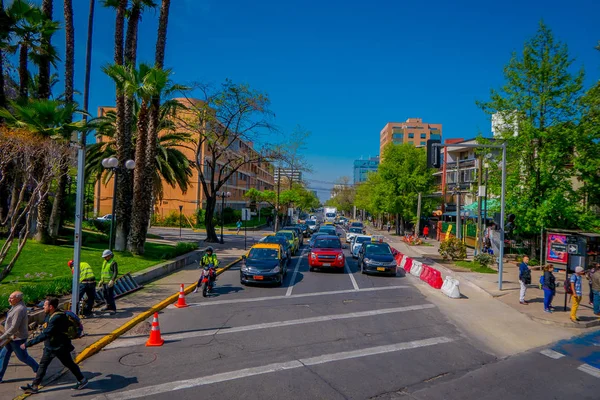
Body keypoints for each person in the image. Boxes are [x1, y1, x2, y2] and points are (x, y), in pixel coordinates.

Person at [20, 297, 88, 393]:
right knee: (43, 365)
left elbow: (46, 333)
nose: (43, 307)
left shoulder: (57, 317)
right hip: (50, 347)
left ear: (51, 307)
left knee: (69, 364)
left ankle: (82, 380)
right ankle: (34, 386)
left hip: (60, 347)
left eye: (45, 305)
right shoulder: (50, 314)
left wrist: (28, 344)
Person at [0, 292, 39, 383]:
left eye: (11, 298)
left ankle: (39, 370)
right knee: (3, 355)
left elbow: (14, 327)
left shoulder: (19, 309)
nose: (9, 299)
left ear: (18, 299)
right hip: (11, 337)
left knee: (23, 357)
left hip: (17, 338)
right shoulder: (16, 307)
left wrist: (2, 337)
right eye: (9, 297)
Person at [98, 250, 118, 314]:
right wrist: (101, 281)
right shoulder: (104, 262)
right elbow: (103, 272)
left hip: (109, 282)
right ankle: (108, 306)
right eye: (104, 257)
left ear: (109, 256)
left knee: (110, 295)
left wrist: (112, 280)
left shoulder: (113, 263)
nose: (104, 258)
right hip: (104, 282)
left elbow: (115, 272)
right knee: (105, 295)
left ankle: (113, 308)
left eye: (106, 257)